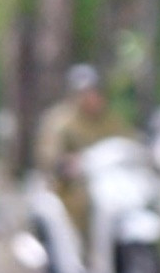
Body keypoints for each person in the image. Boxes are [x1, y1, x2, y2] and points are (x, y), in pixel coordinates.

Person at [35, 63, 129, 232]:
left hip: (108, 184)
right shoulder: (60, 121)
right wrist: (65, 163)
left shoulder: (111, 121)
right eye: (84, 93)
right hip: (70, 186)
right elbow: (49, 154)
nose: (91, 97)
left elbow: (128, 144)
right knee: (79, 204)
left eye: (94, 91)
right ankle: (83, 251)